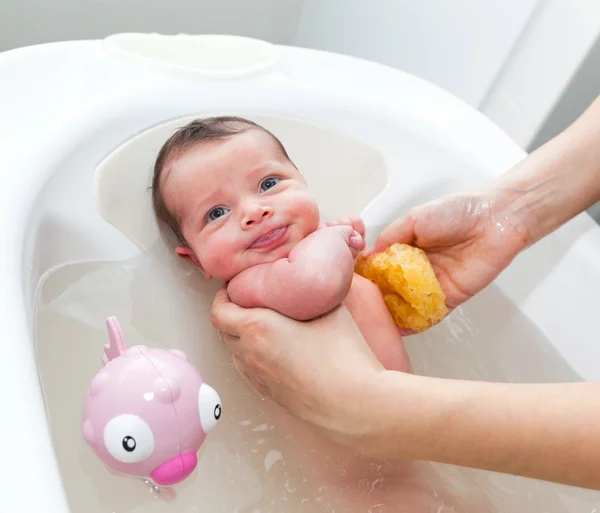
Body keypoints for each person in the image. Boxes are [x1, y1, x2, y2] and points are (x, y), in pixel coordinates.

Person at [211, 94, 600, 491]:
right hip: (367, 485)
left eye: (269, 184)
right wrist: (334, 238)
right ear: (195, 259)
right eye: (216, 213)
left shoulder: (308, 261)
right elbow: (315, 285)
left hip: (407, 452)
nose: (253, 211)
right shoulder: (250, 289)